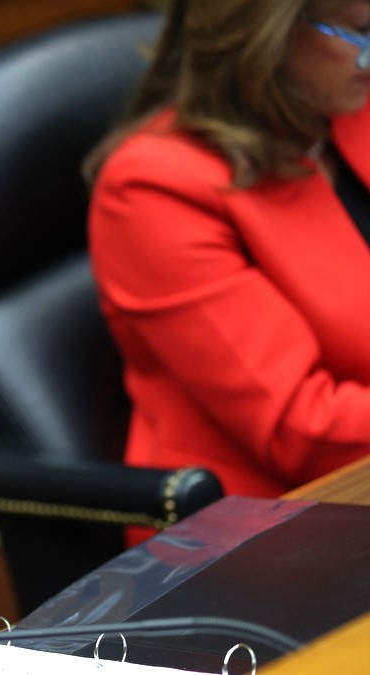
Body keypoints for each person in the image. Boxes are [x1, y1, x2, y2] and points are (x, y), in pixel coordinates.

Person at [87, 0, 370, 507]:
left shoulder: (347, 106)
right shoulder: (151, 190)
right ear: (265, 34)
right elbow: (301, 428)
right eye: (362, 30)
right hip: (276, 533)